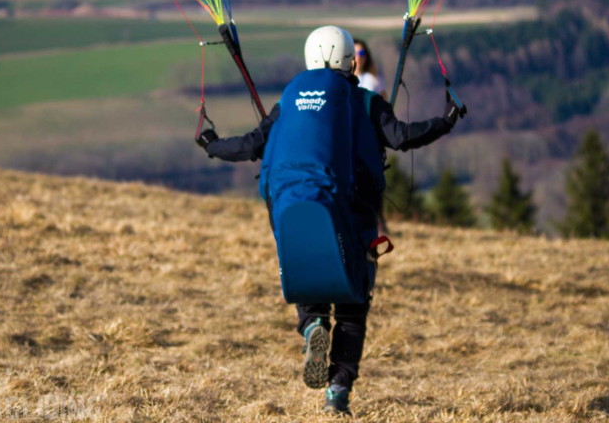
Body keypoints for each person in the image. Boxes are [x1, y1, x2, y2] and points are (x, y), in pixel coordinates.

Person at [197, 25, 460, 415]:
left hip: (297, 205)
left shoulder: (289, 102)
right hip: (355, 216)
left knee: (310, 275)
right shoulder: (367, 102)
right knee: (353, 305)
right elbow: (403, 137)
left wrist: (212, 144)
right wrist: (446, 119)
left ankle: (311, 325)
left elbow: (253, 145)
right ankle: (337, 393)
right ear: (348, 62)